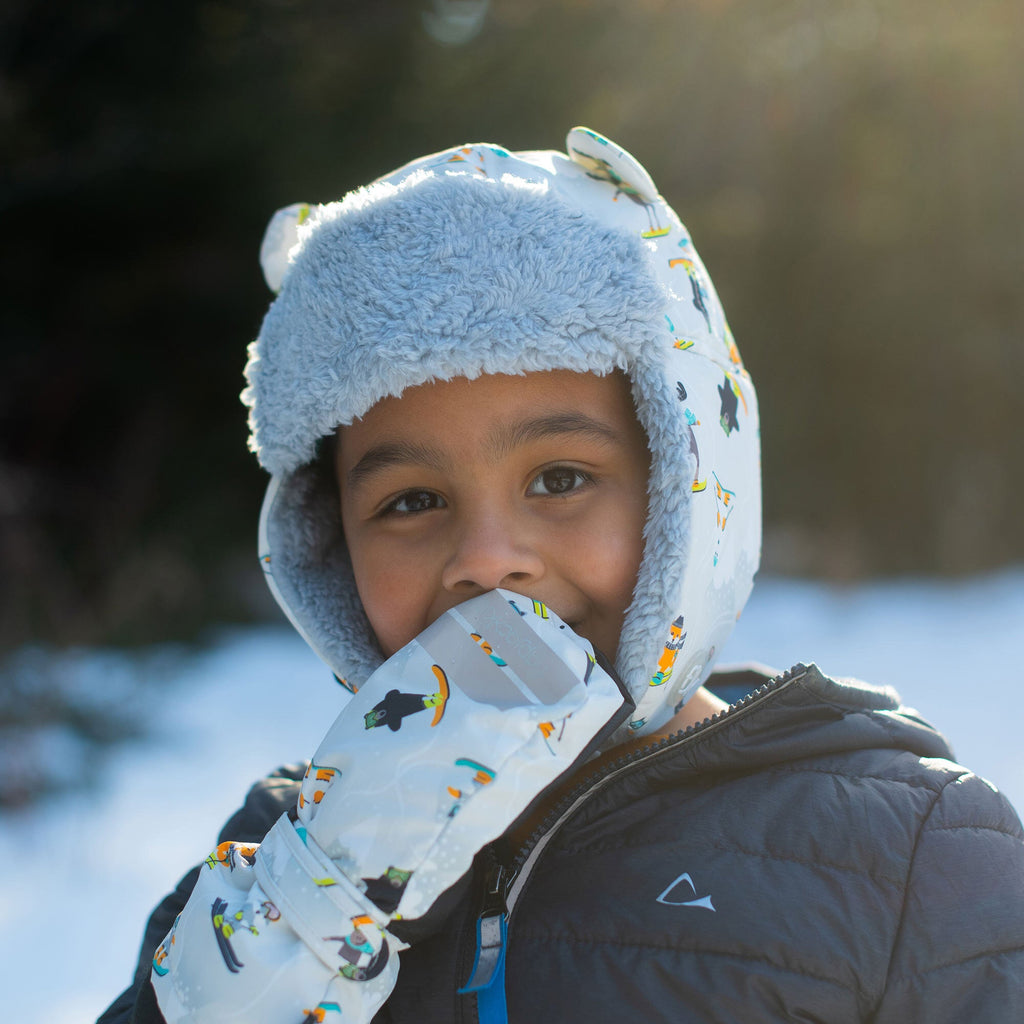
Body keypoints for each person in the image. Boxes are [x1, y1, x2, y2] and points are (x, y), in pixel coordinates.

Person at [99, 128, 1024, 1024]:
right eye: (413, 502)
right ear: (330, 549)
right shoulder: (277, 851)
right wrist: (293, 923)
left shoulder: (907, 858)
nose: (489, 559)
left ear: (685, 492)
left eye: (561, 480)